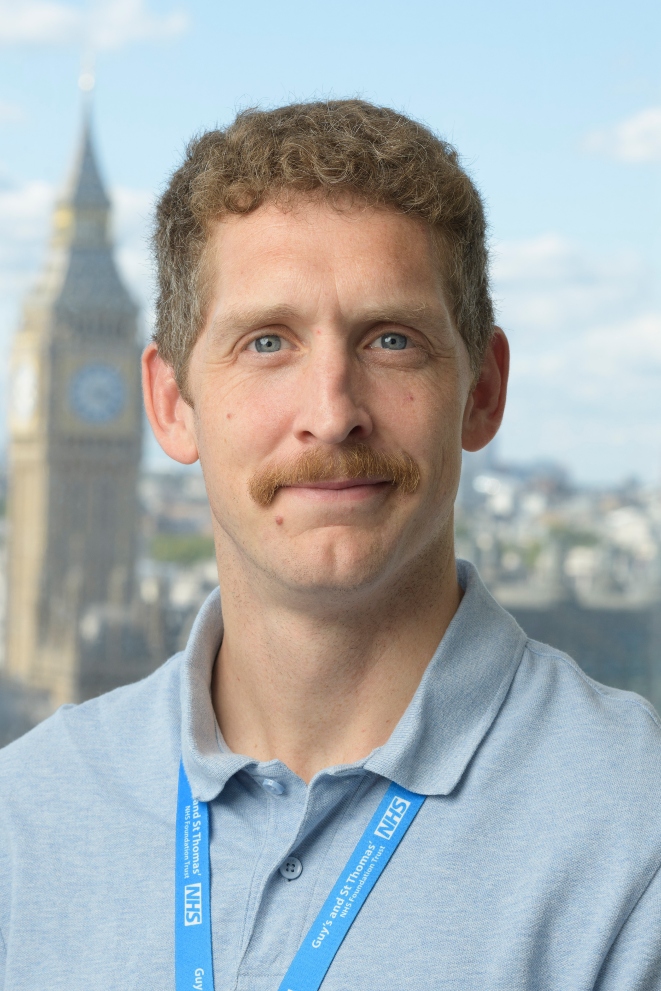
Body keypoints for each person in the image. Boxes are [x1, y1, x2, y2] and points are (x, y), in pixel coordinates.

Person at [1, 100, 660, 991]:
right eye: (266, 341)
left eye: (391, 340)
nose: (330, 411)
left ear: (483, 390)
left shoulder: (633, 838)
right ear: (168, 401)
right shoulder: (27, 814)